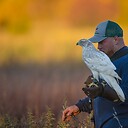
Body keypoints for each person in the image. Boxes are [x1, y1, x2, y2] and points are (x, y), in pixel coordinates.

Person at [62, 20, 128, 128]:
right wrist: (79, 106)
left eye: (101, 42)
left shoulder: (126, 61)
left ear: (116, 39)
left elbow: (125, 95)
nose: (98, 47)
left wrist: (102, 89)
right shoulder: (107, 61)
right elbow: (103, 96)